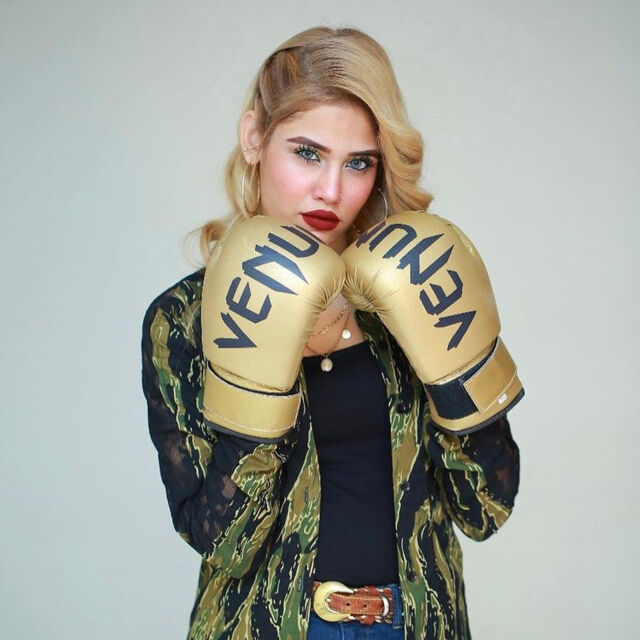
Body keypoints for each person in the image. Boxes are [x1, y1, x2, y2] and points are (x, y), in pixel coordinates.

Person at [141, 26, 523, 640]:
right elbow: (224, 544)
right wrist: (257, 385)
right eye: (307, 153)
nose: (332, 190)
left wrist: (459, 369)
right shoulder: (185, 319)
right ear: (254, 138)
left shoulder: (411, 288)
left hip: (415, 625)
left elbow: (485, 509)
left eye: (359, 163)